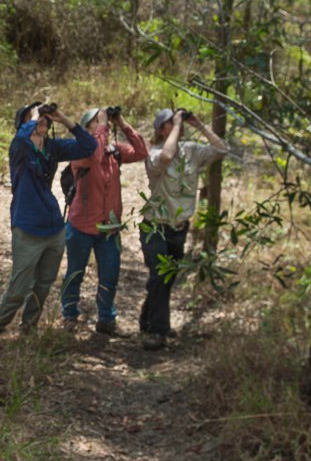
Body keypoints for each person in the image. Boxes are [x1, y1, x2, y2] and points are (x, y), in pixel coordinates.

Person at [0, 102, 97, 340]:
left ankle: (29, 328)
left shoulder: (51, 147)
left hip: (53, 226)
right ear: (24, 123)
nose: (41, 121)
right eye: (34, 119)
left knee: (43, 284)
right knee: (19, 287)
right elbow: (21, 137)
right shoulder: (19, 149)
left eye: (44, 119)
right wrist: (34, 114)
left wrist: (63, 118)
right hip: (27, 225)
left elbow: (89, 146)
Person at [138, 108, 227, 351]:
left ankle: (148, 320)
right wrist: (177, 125)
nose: (176, 125)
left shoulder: (191, 151)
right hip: (154, 226)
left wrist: (199, 124)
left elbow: (221, 149)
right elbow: (167, 156)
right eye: (168, 123)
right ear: (161, 130)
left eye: (175, 121)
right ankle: (158, 331)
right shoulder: (154, 153)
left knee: (166, 279)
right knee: (159, 275)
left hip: (178, 228)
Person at [59, 107, 148, 336]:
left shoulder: (113, 151)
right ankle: (69, 315)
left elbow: (141, 151)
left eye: (104, 122)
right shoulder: (80, 152)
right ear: (86, 127)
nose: (104, 125)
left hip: (109, 227)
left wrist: (122, 121)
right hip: (81, 225)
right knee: (75, 272)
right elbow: (94, 154)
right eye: (97, 122)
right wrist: (101, 126)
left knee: (110, 274)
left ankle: (106, 320)